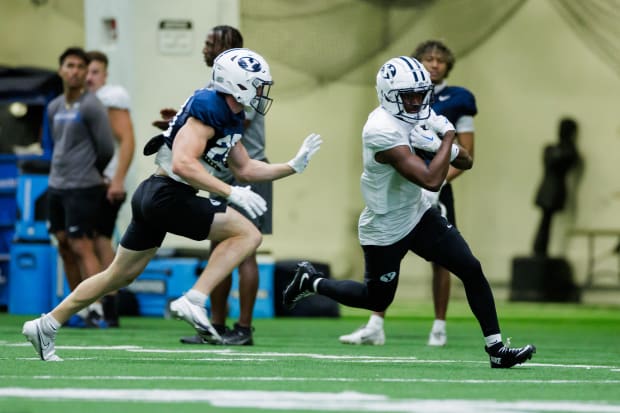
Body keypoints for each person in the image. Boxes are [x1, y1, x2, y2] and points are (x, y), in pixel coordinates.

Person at [22, 47, 322, 361]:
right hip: (168, 194)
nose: (261, 92)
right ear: (239, 83)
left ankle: (46, 323)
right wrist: (231, 194)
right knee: (248, 234)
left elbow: (245, 167)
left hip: (156, 195)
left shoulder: (229, 114)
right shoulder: (210, 107)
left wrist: (292, 166)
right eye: (258, 84)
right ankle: (194, 298)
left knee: (118, 275)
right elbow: (182, 164)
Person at [283, 55, 535, 368]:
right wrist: (445, 140)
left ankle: (496, 349)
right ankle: (311, 282)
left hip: (419, 214)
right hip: (385, 225)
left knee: (470, 268)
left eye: (420, 94)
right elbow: (431, 179)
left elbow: (467, 162)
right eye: (408, 96)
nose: (416, 102)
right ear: (388, 95)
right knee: (376, 299)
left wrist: (446, 145)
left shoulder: (420, 111)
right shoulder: (380, 130)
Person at [339, 40, 477, 347]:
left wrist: (440, 184)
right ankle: (376, 322)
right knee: (390, 255)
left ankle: (439, 326)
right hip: (406, 185)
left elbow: (466, 155)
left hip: (437, 187)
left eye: (440, 60)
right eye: (428, 59)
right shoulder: (390, 113)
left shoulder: (459, 99)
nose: (434, 64)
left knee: (447, 260)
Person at [152, 25, 270, 345]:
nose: (204, 48)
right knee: (219, 248)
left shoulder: (242, 85)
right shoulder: (215, 85)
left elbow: (230, 128)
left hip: (247, 171)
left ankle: (243, 328)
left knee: (246, 249)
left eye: (210, 43)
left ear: (227, 46)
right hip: (222, 174)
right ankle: (214, 324)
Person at [45, 47, 115, 328]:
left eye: (79, 67)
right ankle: (79, 309)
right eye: (69, 66)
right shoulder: (54, 107)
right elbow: (56, 143)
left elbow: (107, 147)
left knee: (82, 245)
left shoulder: (92, 106)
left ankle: (96, 307)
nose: (74, 71)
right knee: (63, 244)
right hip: (56, 185)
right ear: (61, 69)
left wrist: (91, 172)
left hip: (83, 186)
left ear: (87, 73)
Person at [86, 50, 137, 327]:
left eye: (95, 72)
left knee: (99, 239)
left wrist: (117, 179)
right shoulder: (83, 101)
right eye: (87, 72)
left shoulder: (111, 96)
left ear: (104, 75)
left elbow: (127, 140)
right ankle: (100, 303)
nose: (90, 77)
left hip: (107, 182)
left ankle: (109, 302)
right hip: (89, 180)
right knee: (89, 240)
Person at [532, 117, 580, 256]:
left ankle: (540, 250)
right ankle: (539, 250)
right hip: (552, 190)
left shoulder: (556, 150)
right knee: (545, 223)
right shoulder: (554, 149)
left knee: (545, 222)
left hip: (552, 188)